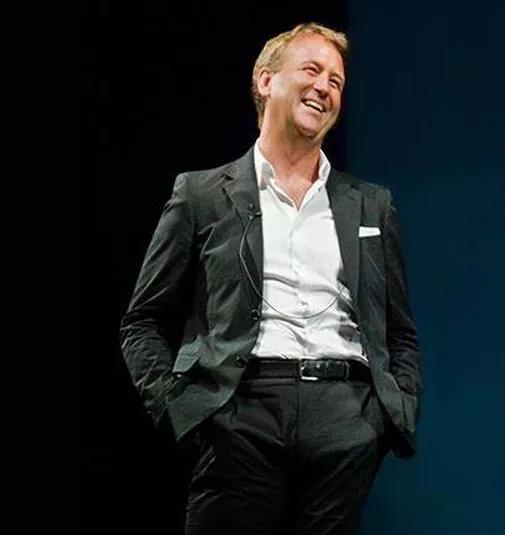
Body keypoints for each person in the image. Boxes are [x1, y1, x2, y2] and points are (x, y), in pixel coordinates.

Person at [120, 22, 422, 535]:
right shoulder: (201, 194)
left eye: (336, 81)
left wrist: (387, 417)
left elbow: (400, 331)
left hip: (346, 420)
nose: (325, 87)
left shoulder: (372, 204)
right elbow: (142, 321)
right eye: (312, 70)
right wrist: (178, 409)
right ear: (265, 80)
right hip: (240, 414)